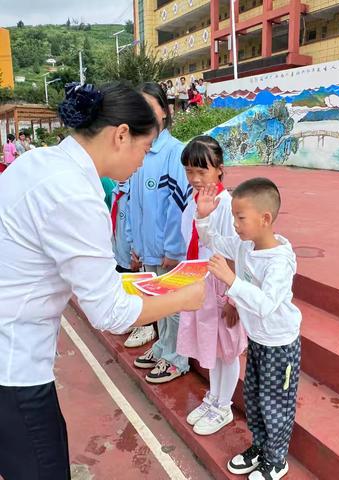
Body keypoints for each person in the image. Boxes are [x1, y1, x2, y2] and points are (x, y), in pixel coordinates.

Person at [0, 82, 205, 480]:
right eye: (145, 150)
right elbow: (109, 312)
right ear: (121, 135)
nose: (144, 162)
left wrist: (136, 285)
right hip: (13, 364)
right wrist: (184, 297)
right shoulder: (74, 193)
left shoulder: (39, 163)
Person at [196, 178, 301, 480]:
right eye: (234, 218)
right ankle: (260, 447)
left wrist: (232, 282)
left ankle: (277, 458)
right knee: (254, 399)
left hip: (279, 345)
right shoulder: (245, 246)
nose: (236, 225)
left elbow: (266, 304)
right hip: (258, 340)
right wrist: (203, 217)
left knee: (275, 404)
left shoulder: (279, 262)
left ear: (265, 218)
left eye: (240, 218)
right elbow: (215, 241)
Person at [176, 136, 247, 435]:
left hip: (222, 289)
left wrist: (234, 299)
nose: (194, 178)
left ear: (219, 169)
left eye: (201, 171)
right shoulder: (194, 201)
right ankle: (214, 397)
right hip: (200, 286)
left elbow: (239, 253)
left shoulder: (228, 207)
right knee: (211, 346)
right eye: (189, 170)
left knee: (226, 351)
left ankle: (224, 406)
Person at [129, 82, 192, 384]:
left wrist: (173, 249)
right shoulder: (140, 154)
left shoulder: (174, 152)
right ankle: (164, 345)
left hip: (170, 251)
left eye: (149, 106)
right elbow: (132, 202)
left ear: (164, 113)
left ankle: (177, 358)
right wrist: (134, 241)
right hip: (148, 247)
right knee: (158, 304)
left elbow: (178, 206)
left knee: (175, 305)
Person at [112, 179, 133, 273]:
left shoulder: (133, 193)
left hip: (131, 258)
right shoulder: (115, 191)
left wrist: (134, 254)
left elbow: (136, 226)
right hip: (116, 255)